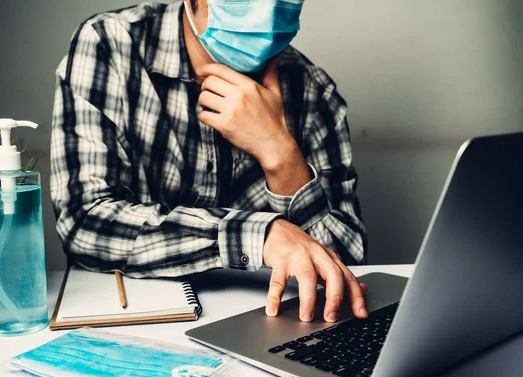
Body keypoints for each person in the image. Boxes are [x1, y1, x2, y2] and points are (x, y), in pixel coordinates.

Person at [50, 0, 368, 324]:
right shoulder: (111, 44)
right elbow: (83, 219)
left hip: (266, 325)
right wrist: (257, 235)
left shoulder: (312, 90)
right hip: (129, 325)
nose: (269, 12)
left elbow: (346, 262)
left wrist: (281, 155)